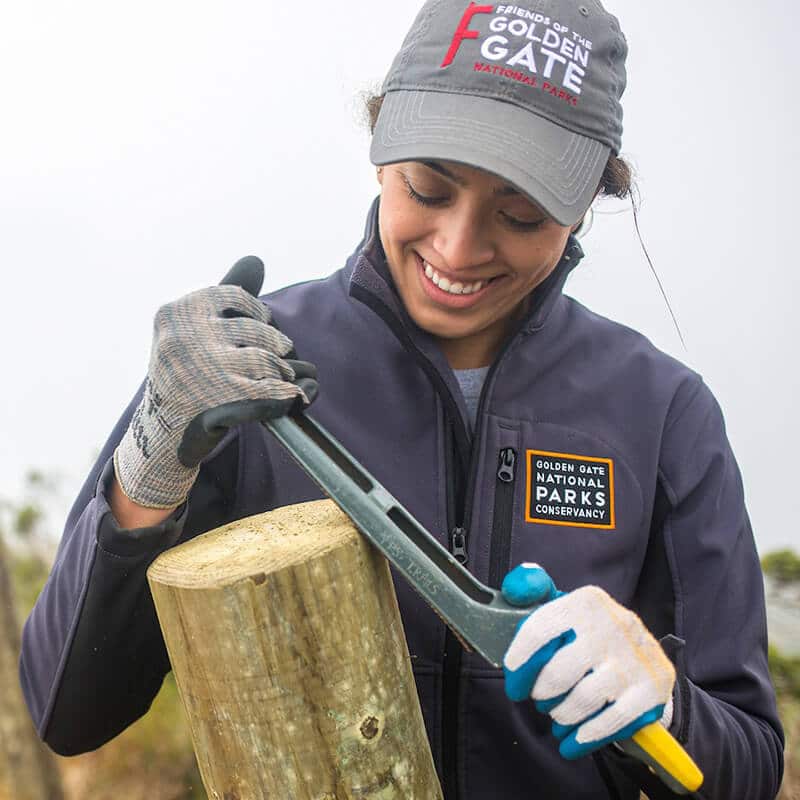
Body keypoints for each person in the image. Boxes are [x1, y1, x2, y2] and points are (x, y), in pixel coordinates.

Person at [19, 0, 784, 797]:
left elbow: (750, 766)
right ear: (382, 151)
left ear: (586, 202)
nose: (458, 248)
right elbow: (68, 713)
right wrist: (153, 458)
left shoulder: (661, 411)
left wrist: (661, 701)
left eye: (520, 214)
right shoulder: (242, 366)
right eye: (428, 185)